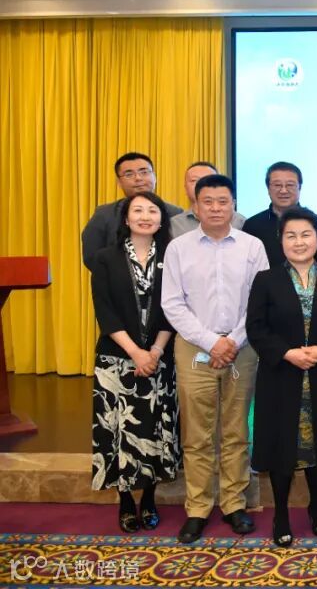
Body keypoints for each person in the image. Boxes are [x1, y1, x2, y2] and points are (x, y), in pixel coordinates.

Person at [161, 174, 269, 544]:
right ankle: (197, 508)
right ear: (196, 206)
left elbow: (259, 300)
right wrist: (211, 342)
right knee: (197, 433)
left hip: (243, 346)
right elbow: (172, 303)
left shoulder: (252, 246)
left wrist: (232, 341)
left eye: (223, 201)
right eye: (208, 201)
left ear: (233, 204)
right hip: (194, 347)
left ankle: (234, 503)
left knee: (237, 430)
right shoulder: (178, 248)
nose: (216, 208)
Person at [247, 208, 317, 546]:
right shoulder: (266, 280)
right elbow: (256, 328)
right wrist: (286, 353)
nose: (299, 242)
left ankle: (316, 507)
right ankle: (280, 513)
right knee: (283, 446)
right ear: (281, 241)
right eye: (290, 235)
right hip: (281, 376)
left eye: (306, 234)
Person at [90, 191, 179, 533]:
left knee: (155, 427)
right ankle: (126, 500)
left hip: (160, 356)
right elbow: (105, 311)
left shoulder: (173, 255)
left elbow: (175, 308)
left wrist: (154, 351)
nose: (145, 216)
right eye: (137, 210)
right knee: (118, 430)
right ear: (126, 219)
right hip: (116, 358)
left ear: (161, 219)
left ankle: (150, 497)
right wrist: (135, 353)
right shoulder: (105, 258)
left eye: (152, 210)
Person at [82, 152, 183, 270]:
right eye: (129, 174)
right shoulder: (104, 214)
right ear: (119, 182)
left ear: (154, 177)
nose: (138, 178)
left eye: (144, 172)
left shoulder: (175, 213)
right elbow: (92, 257)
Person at [243, 161, 317, 267]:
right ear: (268, 188)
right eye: (277, 185)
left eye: (290, 185)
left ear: (300, 187)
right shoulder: (252, 226)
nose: (284, 190)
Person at [171, 162, 245, 236]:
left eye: (209, 180)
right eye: (194, 180)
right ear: (185, 188)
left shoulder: (241, 222)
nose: (201, 185)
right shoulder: (174, 224)